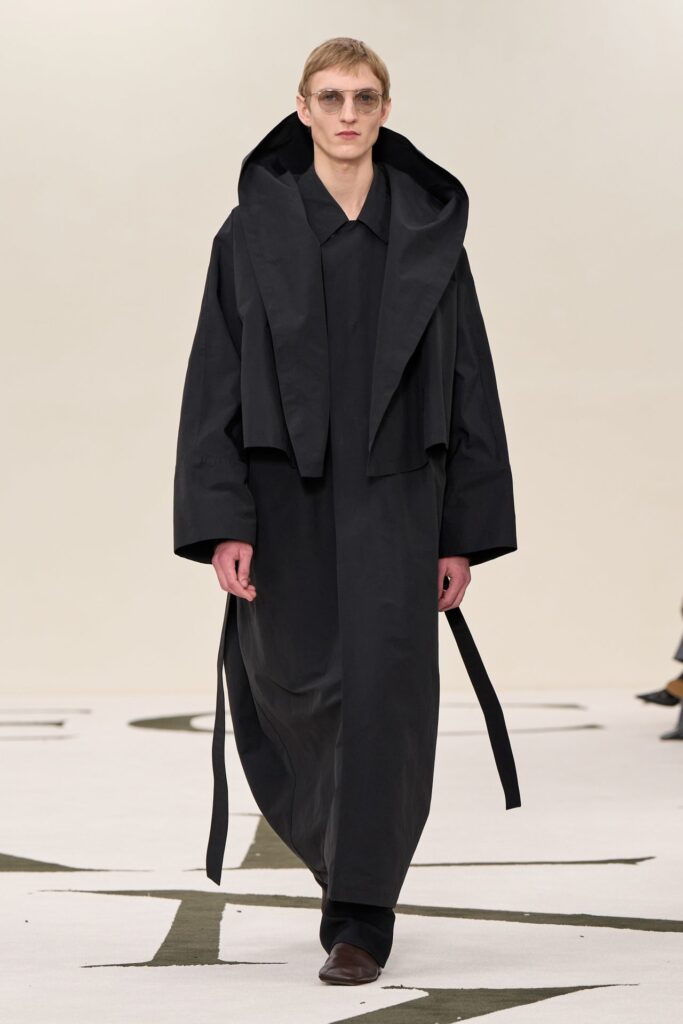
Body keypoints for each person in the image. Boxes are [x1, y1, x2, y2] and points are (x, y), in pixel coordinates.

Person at [173, 36, 521, 985]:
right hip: (282, 500)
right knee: (293, 689)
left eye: (364, 97)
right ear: (301, 109)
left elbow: (470, 383)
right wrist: (223, 518)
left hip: (400, 498)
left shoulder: (429, 236)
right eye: (329, 98)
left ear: (384, 109)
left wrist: (461, 534)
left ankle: (361, 913)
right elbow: (213, 380)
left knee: (385, 700)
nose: (347, 114)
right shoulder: (249, 234)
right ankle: (341, 868)